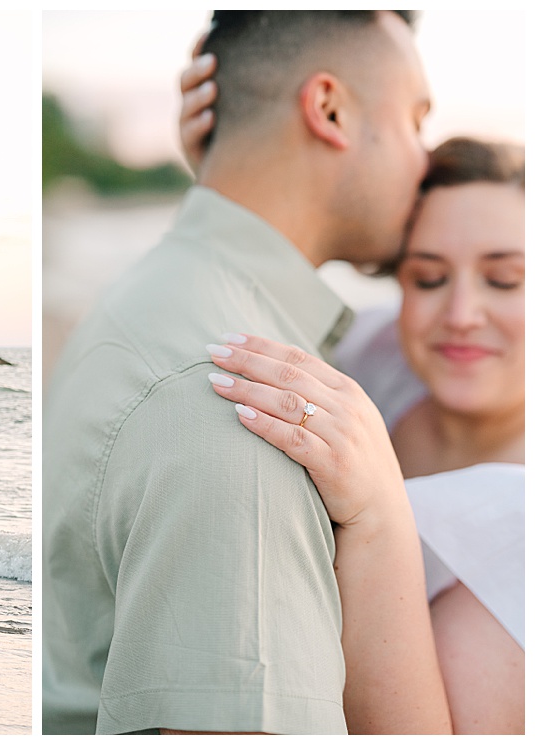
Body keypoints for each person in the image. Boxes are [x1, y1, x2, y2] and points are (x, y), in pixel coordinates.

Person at [42, 11, 434, 734]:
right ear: (330, 110)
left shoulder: (159, 301)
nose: (425, 160)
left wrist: (238, 173)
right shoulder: (246, 414)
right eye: (416, 119)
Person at [195, 124, 525, 733]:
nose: (460, 316)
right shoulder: (378, 357)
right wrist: (230, 168)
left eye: (504, 280)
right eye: (428, 278)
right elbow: (264, 289)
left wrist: (378, 515)